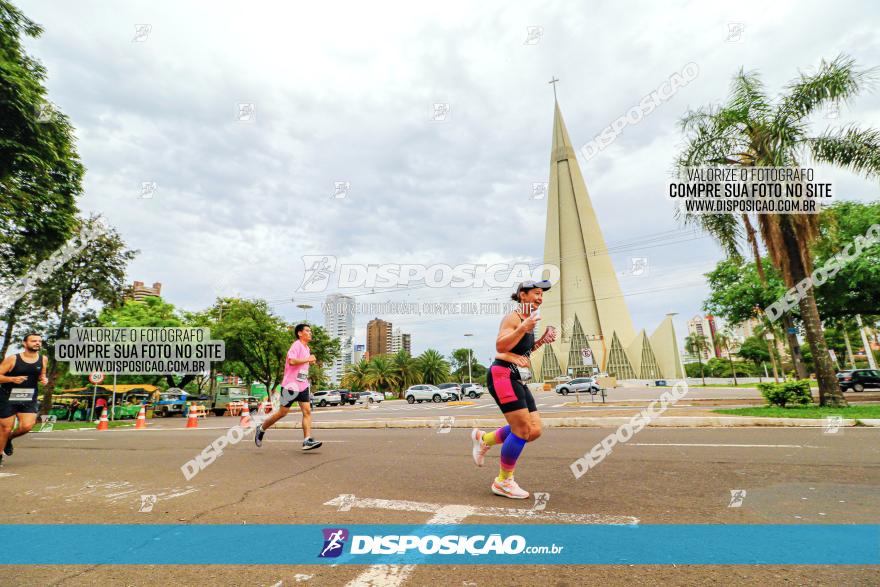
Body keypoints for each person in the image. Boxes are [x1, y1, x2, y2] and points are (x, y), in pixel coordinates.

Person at [470, 280, 557, 499]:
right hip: (502, 376)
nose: (540, 298)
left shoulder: (528, 321)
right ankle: (503, 482)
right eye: (536, 293)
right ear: (522, 295)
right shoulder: (513, 318)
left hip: (515, 377)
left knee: (534, 430)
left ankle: (485, 439)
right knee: (521, 430)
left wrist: (540, 341)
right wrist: (522, 328)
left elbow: (521, 355)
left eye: (541, 295)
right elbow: (501, 346)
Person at [254, 324, 322, 450]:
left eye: (310, 331)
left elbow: (301, 364)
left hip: (302, 385)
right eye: (307, 331)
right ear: (300, 333)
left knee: (307, 412)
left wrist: (309, 360)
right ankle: (261, 428)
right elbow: (291, 361)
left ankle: (307, 440)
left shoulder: (306, 348)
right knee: (282, 413)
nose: (310, 333)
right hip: (290, 386)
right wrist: (308, 359)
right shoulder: (296, 345)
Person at [0, 333, 49, 465]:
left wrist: (43, 379)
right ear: (25, 343)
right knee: (5, 428)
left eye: (39, 341)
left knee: (27, 426)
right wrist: (11, 379)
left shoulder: (43, 359)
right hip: (7, 396)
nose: (37, 343)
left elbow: (41, 374)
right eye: (33, 341)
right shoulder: (12, 359)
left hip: (28, 396)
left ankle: (9, 439)